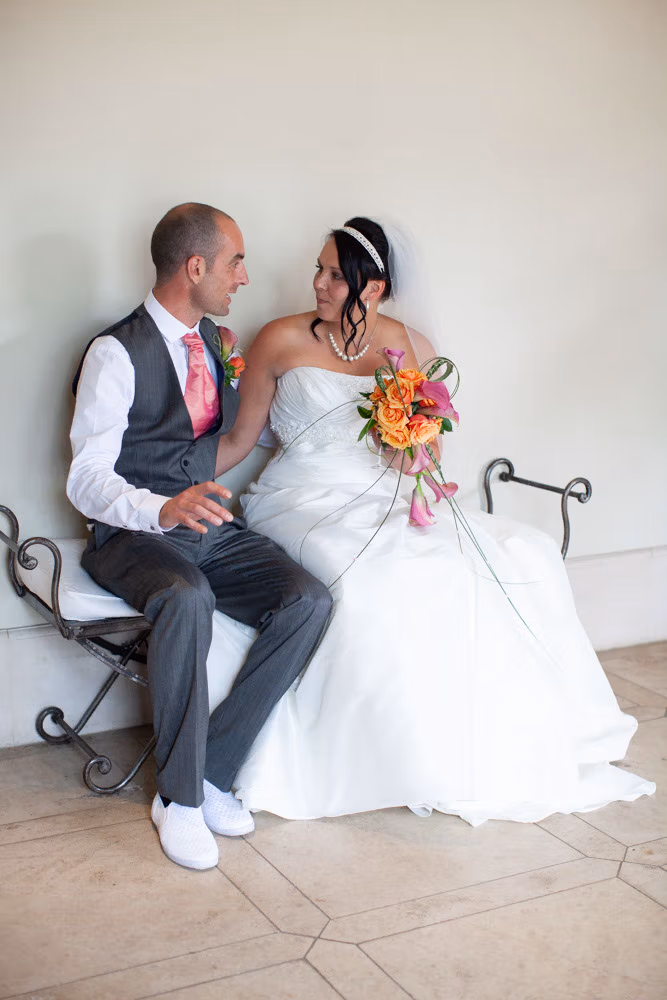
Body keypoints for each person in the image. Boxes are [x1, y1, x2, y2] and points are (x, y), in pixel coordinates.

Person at [203, 216, 655, 824]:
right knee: (367, 575)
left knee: (502, 559)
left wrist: (402, 443)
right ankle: (368, 755)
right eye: (319, 269)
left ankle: (466, 748)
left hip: (383, 493)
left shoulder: (403, 344)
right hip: (300, 495)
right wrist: (163, 480)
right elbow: (239, 440)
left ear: (373, 288)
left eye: (336, 276)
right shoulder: (279, 337)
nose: (319, 283)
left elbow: (427, 452)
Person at [67, 203, 333, 869]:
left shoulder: (212, 342)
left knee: (307, 601)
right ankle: (179, 799)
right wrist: (162, 509)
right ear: (194, 267)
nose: (243, 276)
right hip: (133, 534)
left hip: (209, 526)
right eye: (234, 261)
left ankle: (212, 772)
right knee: (188, 598)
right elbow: (85, 479)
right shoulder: (114, 352)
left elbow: (234, 430)